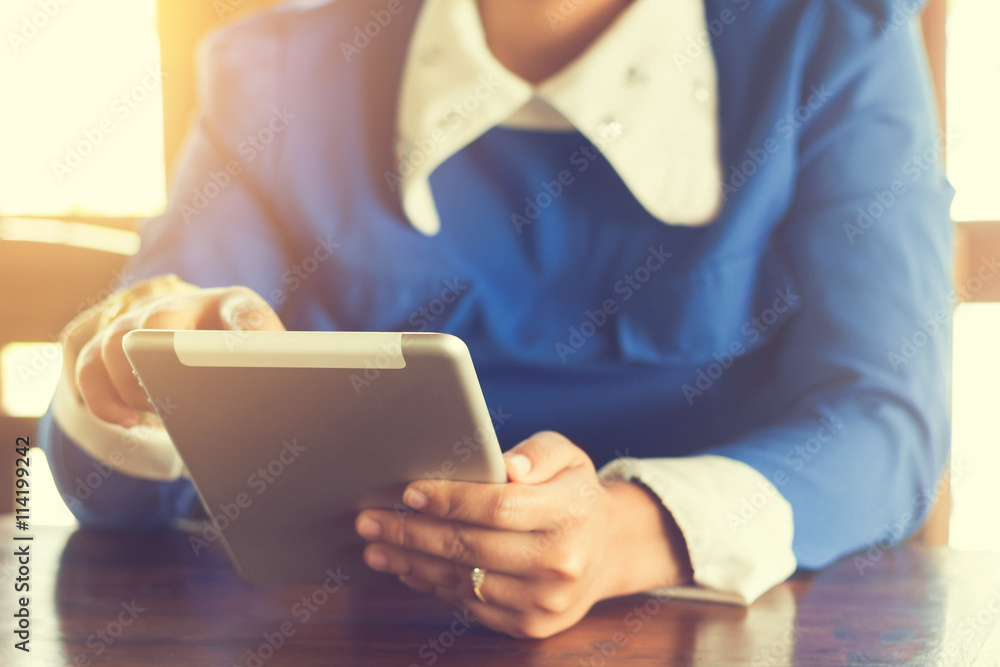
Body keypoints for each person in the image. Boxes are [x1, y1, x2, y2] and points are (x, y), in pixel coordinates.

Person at [39, 0, 953, 639]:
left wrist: (630, 532)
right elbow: (116, 487)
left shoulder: (836, 43)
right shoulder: (275, 73)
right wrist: (132, 381)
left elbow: (886, 427)